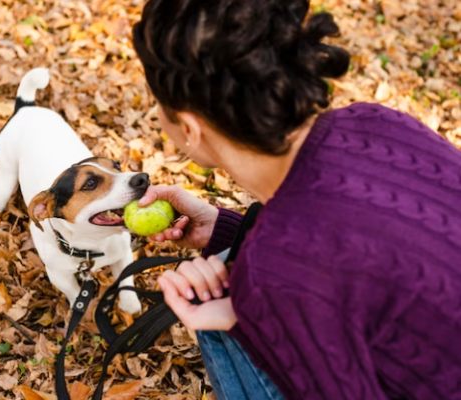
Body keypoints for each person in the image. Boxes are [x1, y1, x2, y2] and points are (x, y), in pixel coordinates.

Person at [130, 0, 461, 399]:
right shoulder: (375, 121)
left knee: (219, 306)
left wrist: (245, 319)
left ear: (188, 127)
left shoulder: (271, 273)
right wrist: (229, 232)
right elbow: (357, 244)